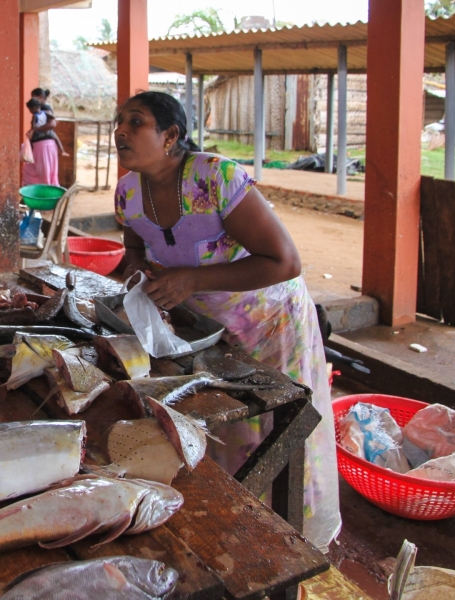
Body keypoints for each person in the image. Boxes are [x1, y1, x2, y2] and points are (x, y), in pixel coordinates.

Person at [113, 91, 341, 552]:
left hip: (271, 323)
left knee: (280, 422)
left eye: (135, 122)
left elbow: (284, 261)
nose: (120, 132)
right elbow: (134, 251)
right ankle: (236, 523)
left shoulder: (214, 177)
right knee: (226, 423)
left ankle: (292, 533)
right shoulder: (129, 192)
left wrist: (191, 279)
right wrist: (141, 274)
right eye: (118, 122)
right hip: (206, 329)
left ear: (171, 136)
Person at [22, 98, 60, 187]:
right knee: (50, 171)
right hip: (51, 145)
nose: (30, 111)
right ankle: (50, 190)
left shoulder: (35, 116)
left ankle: (43, 192)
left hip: (41, 146)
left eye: (30, 109)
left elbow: (33, 129)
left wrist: (33, 131)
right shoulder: (46, 113)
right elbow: (54, 122)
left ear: (34, 107)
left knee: (42, 171)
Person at [30, 88, 69, 157]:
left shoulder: (44, 108)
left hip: (44, 144)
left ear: (40, 97)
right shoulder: (41, 108)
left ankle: (62, 151)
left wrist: (34, 130)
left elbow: (52, 124)